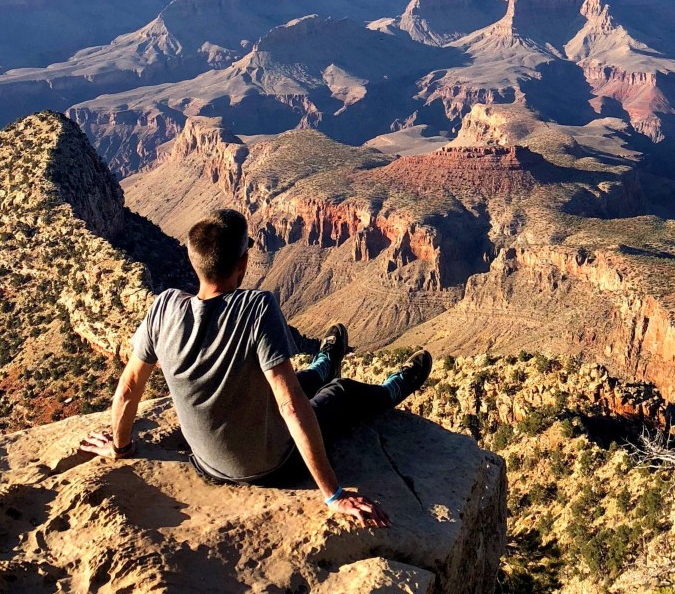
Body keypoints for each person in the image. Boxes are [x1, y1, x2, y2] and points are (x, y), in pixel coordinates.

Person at [79, 208, 433, 528]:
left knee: (299, 380)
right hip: (270, 465)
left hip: (207, 463)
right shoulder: (256, 307)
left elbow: (128, 388)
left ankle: (324, 365)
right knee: (339, 394)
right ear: (244, 263)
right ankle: (392, 390)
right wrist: (334, 494)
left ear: (193, 261)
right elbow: (291, 406)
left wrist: (122, 448)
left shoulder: (163, 307)